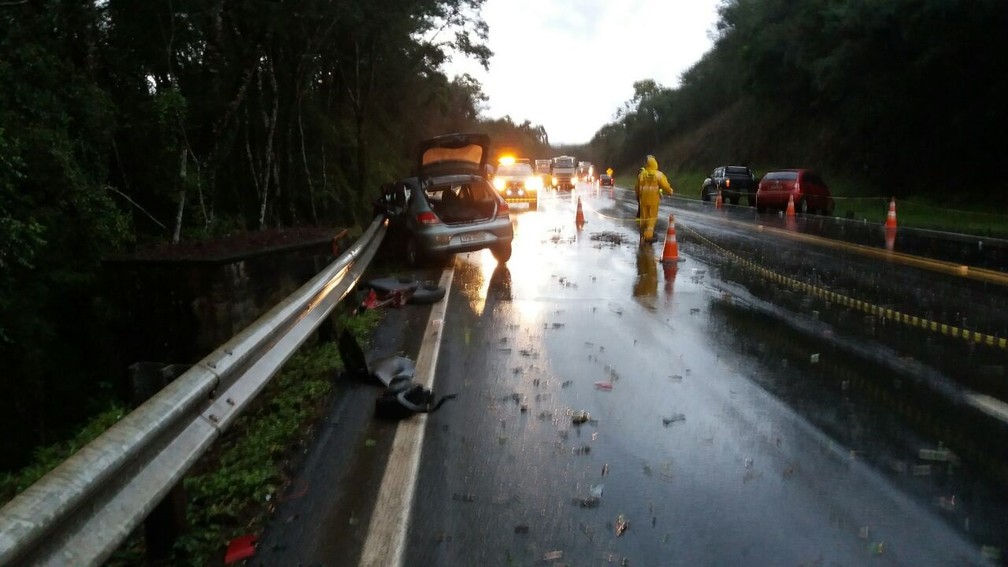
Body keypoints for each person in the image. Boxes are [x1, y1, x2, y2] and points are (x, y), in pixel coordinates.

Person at [634, 155, 673, 242]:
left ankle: (642, 235)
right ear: (655, 163)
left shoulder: (642, 175)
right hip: (653, 201)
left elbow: (637, 187)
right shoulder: (658, 175)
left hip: (643, 200)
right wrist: (670, 191)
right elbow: (665, 185)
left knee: (644, 218)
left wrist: (638, 195)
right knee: (651, 218)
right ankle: (648, 236)